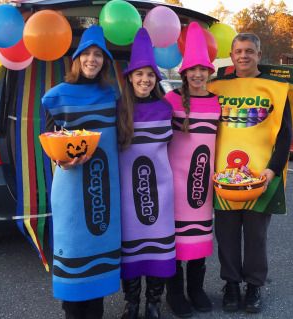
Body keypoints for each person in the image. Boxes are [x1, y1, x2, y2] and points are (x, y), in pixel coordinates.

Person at [208, 33, 292, 313]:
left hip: (261, 177)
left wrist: (272, 170)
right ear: (231, 56)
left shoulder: (277, 89)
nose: (243, 56)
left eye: (249, 51)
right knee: (227, 234)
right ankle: (231, 284)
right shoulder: (215, 87)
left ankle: (254, 285)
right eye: (238, 51)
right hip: (223, 179)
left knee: (256, 236)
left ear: (258, 54)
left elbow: (285, 134)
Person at [41, 25, 121, 319]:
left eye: (98, 54)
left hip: (105, 191)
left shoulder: (112, 95)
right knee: (73, 254)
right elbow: (48, 139)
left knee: (98, 257)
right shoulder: (55, 97)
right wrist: (61, 161)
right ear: (76, 59)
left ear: (105, 61)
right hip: (71, 190)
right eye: (86, 54)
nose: (91, 59)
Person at [117, 28, 176, 319]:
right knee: (131, 251)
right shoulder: (118, 110)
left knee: (158, 252)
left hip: (161, 193)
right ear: (130, 77)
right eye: (139, 74)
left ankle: (154, 303)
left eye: (150, 75)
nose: (145, 79)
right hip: (128, 195)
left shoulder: (166, 109)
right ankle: (132, 303)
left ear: (156, 79)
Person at [164, 22, 221, 318]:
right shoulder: (171, 100)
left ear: (209, 72)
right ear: (184, 73)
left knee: (198, 242)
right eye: (193, 70)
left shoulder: (216, 103)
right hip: (174, 185)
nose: (198, 75)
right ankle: (174, 294)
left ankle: (196, 289)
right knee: (175, 243)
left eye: (203, 69)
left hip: (202, 187)